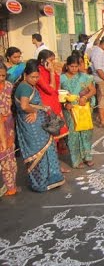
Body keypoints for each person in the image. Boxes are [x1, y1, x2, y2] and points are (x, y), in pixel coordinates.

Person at [14, 59, 64, 192]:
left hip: (37, 124)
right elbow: (25, 106)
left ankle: (50, 178)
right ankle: (40, 181)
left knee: (47, 149)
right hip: (31, 125)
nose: (35, 79)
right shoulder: (24, 87)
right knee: (38, 151)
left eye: (37, 77)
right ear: (25, 75)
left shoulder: (29, 85)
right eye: (33, 77)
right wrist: (34, 110)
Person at [60, 55, 96, 168]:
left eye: (76, 66)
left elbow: (93, 90)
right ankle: (76, 160)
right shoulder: (62, 78)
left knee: (86, 132)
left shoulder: (84, 77)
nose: (74, 69)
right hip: (70, 110)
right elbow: (59, 95)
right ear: (67, 66)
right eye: (72, 66)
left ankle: (87, 157)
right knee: (73, 134)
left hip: (83, 108)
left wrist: (85, 97)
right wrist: (65, 104)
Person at [0, 62, 17, 196]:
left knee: (9, 155)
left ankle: (11, 185)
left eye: (3, 75)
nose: (1, 78)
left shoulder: (9, 86)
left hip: (8, 125)